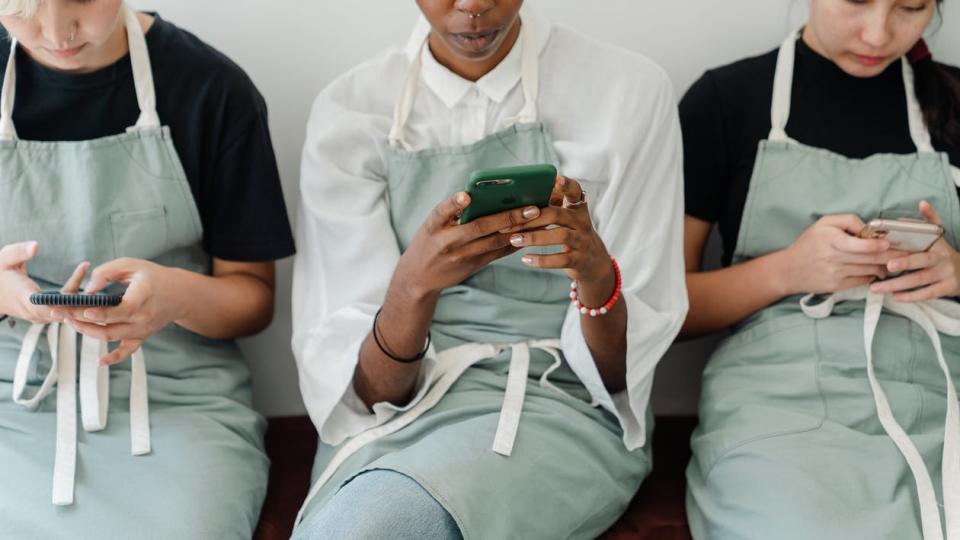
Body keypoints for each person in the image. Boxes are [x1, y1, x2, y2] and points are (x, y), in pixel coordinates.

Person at [291, 0, 687, 538]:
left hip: (561, 401)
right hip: (393, 418)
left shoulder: (628, 91)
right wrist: (412, 287)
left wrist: (595, 272)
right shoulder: (350, 113)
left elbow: (618, 382)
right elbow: (366, 398)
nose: (473, 5)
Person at [0, 0, 295, 537]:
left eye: (81, 0)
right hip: (13, 393)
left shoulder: (213, 90)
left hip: (175, 396)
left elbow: (253, 297)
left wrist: (175, 296)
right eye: (20, 6)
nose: (56, 31)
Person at [680, 0, 960, 537]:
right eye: (856, 1)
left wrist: (958, 271)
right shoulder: (726, 101)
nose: (878, 33)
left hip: (940, 386)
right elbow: (665, 310)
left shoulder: (954, 101)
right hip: (781, 402)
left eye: (912, 7)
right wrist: (788, 270)